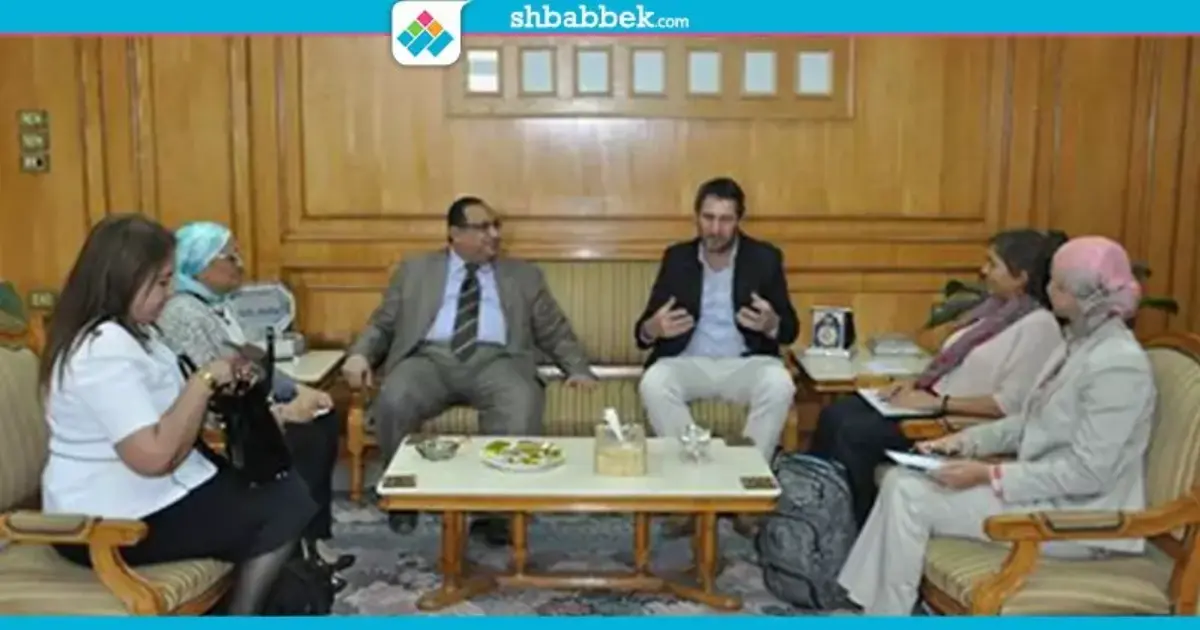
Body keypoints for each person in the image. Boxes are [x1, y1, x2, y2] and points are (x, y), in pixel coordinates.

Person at [838, 235, 1155, 616]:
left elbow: (1088, 473)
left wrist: (989, 475)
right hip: (1044, 493)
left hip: (1081, 518)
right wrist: (963, 443)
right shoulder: (1077, 344)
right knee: (901, 481)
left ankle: (887, 613)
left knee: (908, 493)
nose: (1047, 289)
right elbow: (1031, 422)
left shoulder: (1118, 366)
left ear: (1085, 297)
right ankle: (879, 611)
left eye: (1057, 284)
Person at [40, 213, 317, 615]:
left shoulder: (136, 331)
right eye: (162, 282)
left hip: (157, 490)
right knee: (284, 506)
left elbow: (169, 413)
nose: (170, 293)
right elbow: (152, 457)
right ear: (124, 279)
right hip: (112, 517)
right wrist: (204, 380)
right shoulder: (101, 349)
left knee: (281, 488)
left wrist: (222, 389)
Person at [342, 196, 597, 544]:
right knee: (395, 396)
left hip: (497, 360)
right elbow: (383, 323)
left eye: (496, 226)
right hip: (429, 359)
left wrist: (577, 368)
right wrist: (360, 355)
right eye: (483, 228)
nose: (494, 235)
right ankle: (402, 493)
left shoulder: (524, 275)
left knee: (521, 400)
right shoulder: (415, 271)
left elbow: (554, 329)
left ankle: (498, 512)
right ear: (455, 234)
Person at [809, 229, 1067, 526]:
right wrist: (914, 383)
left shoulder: (1038, 327)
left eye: (993, 264)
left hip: (954, 420)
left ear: (1020, 276)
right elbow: (954, 365)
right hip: (927, 403)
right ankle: (817, 518)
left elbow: (1010, 405)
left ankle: (850, 526)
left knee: (853, 432)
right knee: (835, 414)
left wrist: (939, 403)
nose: (983, 271)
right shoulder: (993, 311)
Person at [156, 221, 354, 577]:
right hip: (216, 426)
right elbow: (215, 395)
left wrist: (298, 390)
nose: (241, 264)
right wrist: (281, 412)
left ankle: (310, 540)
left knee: (321, 417)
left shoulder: (217, 306)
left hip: (245, 409)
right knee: (307, 435)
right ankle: (296, 546)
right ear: (199, 266)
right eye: (230, 257)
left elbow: (252, 366)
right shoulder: (184, 314)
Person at [635, 177, 800, 537]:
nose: (715, 228)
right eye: (708, 218)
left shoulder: (765, 258)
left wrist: (772, 324)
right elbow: (642, 332)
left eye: (725, 219)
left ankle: (745, 493)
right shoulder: (677, 258)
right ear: (696, 216)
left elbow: (790, 330)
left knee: (779, 382)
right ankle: (691, 491)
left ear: (739, 219)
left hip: (745, 362)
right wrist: (654, 328)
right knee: (654, 382)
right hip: (688, 361)